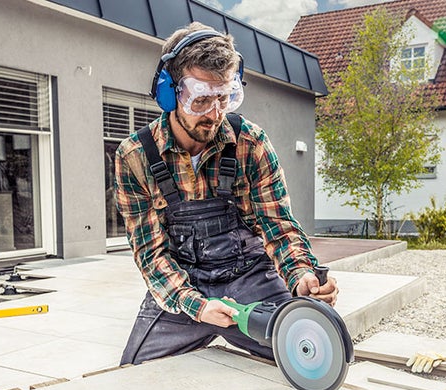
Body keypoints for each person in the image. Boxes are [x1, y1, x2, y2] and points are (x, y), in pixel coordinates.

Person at [115, 22, 338, 365]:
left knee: (312, 354)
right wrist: (197, 306)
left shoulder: (251, 142)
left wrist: (302, 275)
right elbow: (151, 254)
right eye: (201, 100)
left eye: (225, 98)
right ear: (169, 93)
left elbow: (278, 224)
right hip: (184, 284)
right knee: (132, 374)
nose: (216, 114)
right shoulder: (135, 157)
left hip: (251, 280)